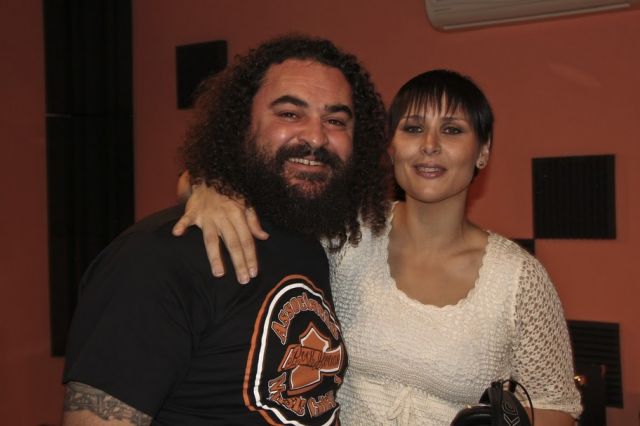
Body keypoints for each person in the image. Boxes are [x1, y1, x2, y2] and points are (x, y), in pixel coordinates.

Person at [175, 70, 582, 425]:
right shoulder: (344, 233)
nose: (430, 145)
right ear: (391, 147)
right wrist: (206, 188)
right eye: (413, 128)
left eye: (452, 130)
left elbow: (558, 407)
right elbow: (242, 189)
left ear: (484, 150)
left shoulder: (518, 279)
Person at [61, 34, 391, 425]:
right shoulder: (156, 258)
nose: (316, 137)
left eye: (335, 121)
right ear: (239, 125)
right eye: (289, 114)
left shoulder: (315, 245)